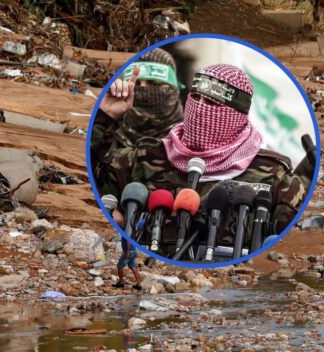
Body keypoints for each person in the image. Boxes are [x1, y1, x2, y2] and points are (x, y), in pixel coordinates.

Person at [95, 64, 307, 241]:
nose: (200, 109)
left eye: (212, 103)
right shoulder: (142, 158)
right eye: (195, 98)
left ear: (237, 115)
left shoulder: (274, 177)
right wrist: (103, 116)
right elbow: (91, 179)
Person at [90, 48, 184, 172]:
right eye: (137, 85)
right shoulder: (105, 134)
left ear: (174, 88)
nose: (144, 90)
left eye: (154, 84)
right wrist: (103, 116)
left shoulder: (191, 144)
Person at [112, 209, 143, 290]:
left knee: (119, 266)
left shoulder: (126, 230)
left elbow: (128, 241)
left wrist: (127, 252)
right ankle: (138, 283)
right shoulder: (132, 229)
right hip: (133, 251)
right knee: (133, 267)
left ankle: (121, 282)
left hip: (128, 252)